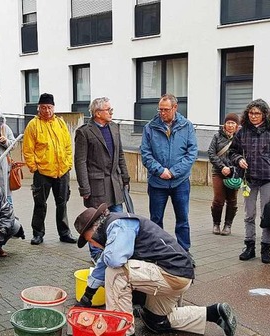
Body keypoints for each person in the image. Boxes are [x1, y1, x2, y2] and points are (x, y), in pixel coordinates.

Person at [74, 204, 238, 336]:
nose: (92, 245)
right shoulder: (114, 228)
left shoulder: (119, 224)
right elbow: (104, 261)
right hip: (175, 276)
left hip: (171, 274)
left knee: (116, 272)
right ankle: (213, 313)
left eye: (89, 240)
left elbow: (113, 260)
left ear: (94, 229)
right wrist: (88, 296)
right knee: (155, 322)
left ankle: (123, 333)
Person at [228, 99, 270, 263]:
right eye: (251, 113)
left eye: (257, 113)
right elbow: (232, 151)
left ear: (264, 114)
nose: (253, 116)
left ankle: (265, 248)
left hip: (269, 179)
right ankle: (249, 247)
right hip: (249, 179)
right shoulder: (242, 132)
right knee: (249, 214)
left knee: (267, 215)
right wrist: (239, 159)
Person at [74, 96, 130, 261]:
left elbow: (120, 155)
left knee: (118, 220)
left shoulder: (114, 127)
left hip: (115, 184)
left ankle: (115, 252)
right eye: (108, 110)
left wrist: (125, 178)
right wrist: (84, 188)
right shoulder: (84, 132)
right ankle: (96, 254)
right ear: (97, 113)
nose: (111, 112)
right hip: (96, 186)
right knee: (97, 222)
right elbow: (80, 162)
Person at [140, 94, 197, 254]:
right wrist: (160, 171)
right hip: (157, 183)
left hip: (180, 182)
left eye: (166, 110)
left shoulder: (187, 126)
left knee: (183, 220)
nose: (162, 113)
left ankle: (184, 253)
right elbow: (145, 154)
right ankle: (158, 252)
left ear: (175, 108)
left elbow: (191, 153)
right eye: (160, 109)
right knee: (156, 221)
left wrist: (173, 172)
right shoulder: (149, 127)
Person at [22, 93, 76, 245]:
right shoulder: (33, 125)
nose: (47, 110)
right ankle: (38, 233)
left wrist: (68, 163)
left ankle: (65, 233)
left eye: (49, 107)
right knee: (40, 204)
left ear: (54, 108)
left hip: (62, 171)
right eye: (44, 107)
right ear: (39, 108)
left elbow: (67, 146)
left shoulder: (60, 123)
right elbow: (28, 149)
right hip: (42, 172)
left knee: (62, 203)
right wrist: (34, 168)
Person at [207, 113, 240, 236]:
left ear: (237, 125)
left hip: (234, 173)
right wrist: (222, 167)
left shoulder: (240, 138)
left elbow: (242, 156)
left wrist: (232, 169)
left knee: (232, 200)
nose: (230, 125)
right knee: (218, 200)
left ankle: (228, 225)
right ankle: (216, 224)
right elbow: (211, 153)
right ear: (224, 124)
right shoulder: (217, 137)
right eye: (228, 122)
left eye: (233, 123)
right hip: (218, 172)